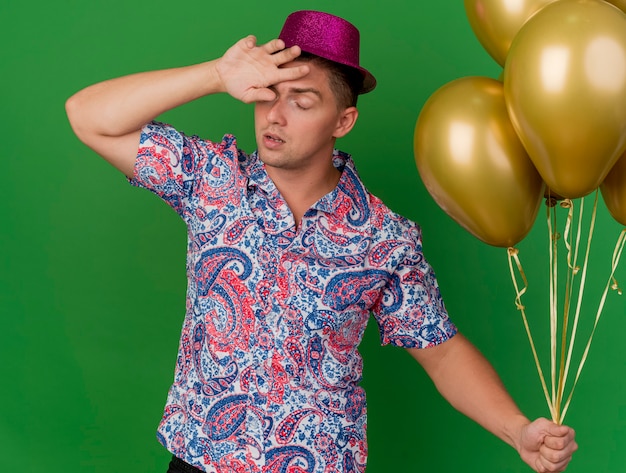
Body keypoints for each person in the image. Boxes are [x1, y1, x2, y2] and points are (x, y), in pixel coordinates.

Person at [65, 10, 577, 473]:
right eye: (268, 96)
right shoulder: (210, 179)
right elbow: (89, 118)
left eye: (301, 101)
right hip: (201, 458)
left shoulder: (385, 237)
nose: (274, 116)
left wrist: (517, 430)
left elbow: (439, 350)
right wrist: (217, 76)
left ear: (343, 121)